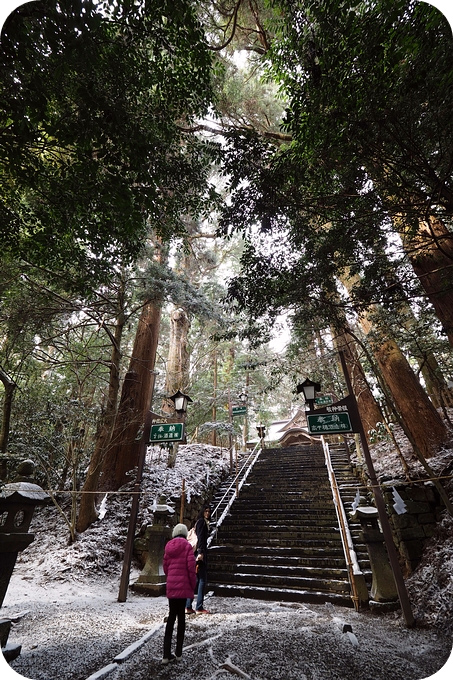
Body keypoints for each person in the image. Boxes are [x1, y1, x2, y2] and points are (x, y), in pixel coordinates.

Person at [162, 523, 196, 664]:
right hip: (183, 588)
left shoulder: (168, 546)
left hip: (171, 587)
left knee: (171, 617)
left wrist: (171, 578)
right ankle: (179, 652)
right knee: (181, 618)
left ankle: (165, 654)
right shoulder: (187, 547)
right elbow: (191, 568)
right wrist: (192, 586)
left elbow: (165, 568)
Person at [185, 504, 211, 615]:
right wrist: (200, 553)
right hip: (199, 554)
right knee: (202, 580)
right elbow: (200, 538)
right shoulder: (201, 522)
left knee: (195, 580)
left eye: (209, 511)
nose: (208, 513)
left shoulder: (201, 522)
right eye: (206, 511)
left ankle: (188, 605)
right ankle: (199, 606)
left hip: (197, 553)